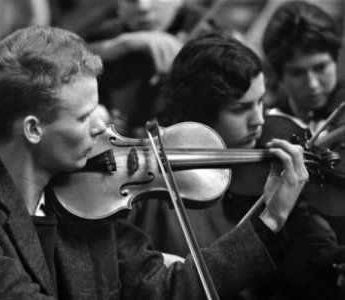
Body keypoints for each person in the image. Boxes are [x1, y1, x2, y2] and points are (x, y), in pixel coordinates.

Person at [0, 25, 309, 299]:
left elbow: (167, 290)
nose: (103, 128)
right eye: (84, 118)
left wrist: (269, 218)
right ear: (32, 129)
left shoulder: (84, 197)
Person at [128, 31, 344, 299]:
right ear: (200, 109)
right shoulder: (145, 176)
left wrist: (335, 267)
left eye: (260, 102)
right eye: (240, 109)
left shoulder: (268, 168)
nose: (259, 121)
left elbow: (307, 237)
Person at [262, 1, 345, 294]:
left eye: (320, 67)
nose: (312, 84)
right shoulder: (273, 126)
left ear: (336, 58)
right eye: (297, 73)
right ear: (280, 76)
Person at [83, 0, 214, 136]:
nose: (143, 7)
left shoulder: (205, 30)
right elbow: (66, 57)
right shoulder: (109, 33)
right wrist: (119, 46)